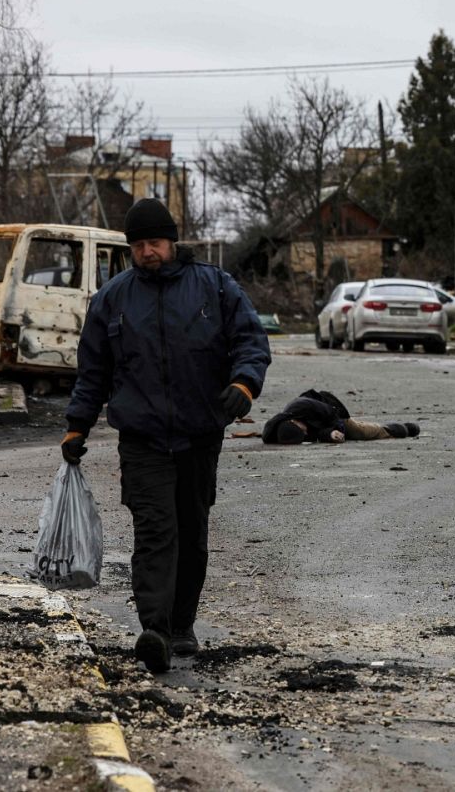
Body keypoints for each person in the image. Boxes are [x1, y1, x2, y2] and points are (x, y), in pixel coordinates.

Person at [62, 198, 271, 674]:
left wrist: (244, 384)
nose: (146, 252)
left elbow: (250, 341)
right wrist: (77, 425)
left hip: (200, 434)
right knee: (155, 532)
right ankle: (153, 629)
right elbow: (93, 371)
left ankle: (181, 626)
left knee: (192, 532)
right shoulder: (114, 299)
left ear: (172, 241)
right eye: (137, 245)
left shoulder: (214, 287)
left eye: (153, 242)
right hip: (142, 438)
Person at [262, 388, 420, 444]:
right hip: (321, 424)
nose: (305, 434)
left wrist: (338, 430)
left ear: (295, 422)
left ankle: (401, 429)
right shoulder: (279, 431)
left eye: (303, 431)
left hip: (333, 410)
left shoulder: (304, 406)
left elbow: (333, 416)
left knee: (360, 432)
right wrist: (329, 435)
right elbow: (313, 433)